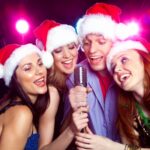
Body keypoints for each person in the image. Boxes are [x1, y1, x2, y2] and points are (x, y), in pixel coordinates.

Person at [75, 38, 150, 150]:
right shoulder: (128, 111)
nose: (117, 69)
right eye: (113, 67)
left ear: (144, 60)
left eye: (124, 60)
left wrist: (110, 146)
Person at [64, 2, 122, 142]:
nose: (92, 50)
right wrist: (74, 113)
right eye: (87, 42)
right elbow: (64, 132)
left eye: (101, 42)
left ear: (115, 43)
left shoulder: (129, 73)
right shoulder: (75, 76)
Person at [34, 19, 89, 150]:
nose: (67, 55)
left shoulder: (73, 82)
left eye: (71, 47)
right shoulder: (52, 92)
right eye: (58, 50)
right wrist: (72, 130)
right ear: (49, 56)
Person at [0, 43, 49, 150]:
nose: (39, 71)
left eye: (40, 64)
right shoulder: (21, 113)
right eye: (28, 68)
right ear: (15, 79)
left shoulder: (14, 106)